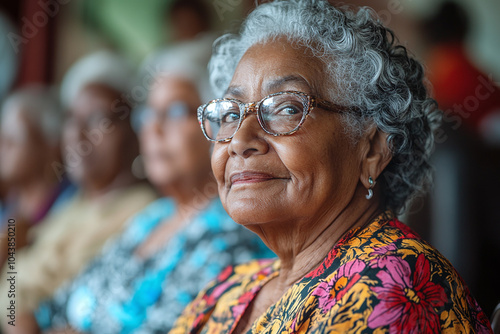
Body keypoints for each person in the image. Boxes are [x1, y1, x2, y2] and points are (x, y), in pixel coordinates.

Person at [170, 1, 493, 333]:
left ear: (371, 150)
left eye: (286, 108)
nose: (240, 140)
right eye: (230, 114)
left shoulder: (391, 287)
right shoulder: (231, 287)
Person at [29, 49, 274, 334]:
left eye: (176, 111)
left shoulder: (232, 235)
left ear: (220, 124)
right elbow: (49, 309)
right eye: (148, 113)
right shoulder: (151, 218)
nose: (154, 128)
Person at [0, 82, 157, 334]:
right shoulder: (75, 202)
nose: (77, 132)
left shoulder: (143, 212)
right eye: (71, 118)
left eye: (98, 119)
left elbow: (64, 303)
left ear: (133, 131)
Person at [0, 86, 76, 267]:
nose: (3, 145)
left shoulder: (68, 206)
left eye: (14, 137)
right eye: (2, 136)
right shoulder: (8, 206)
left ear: (49, 146)